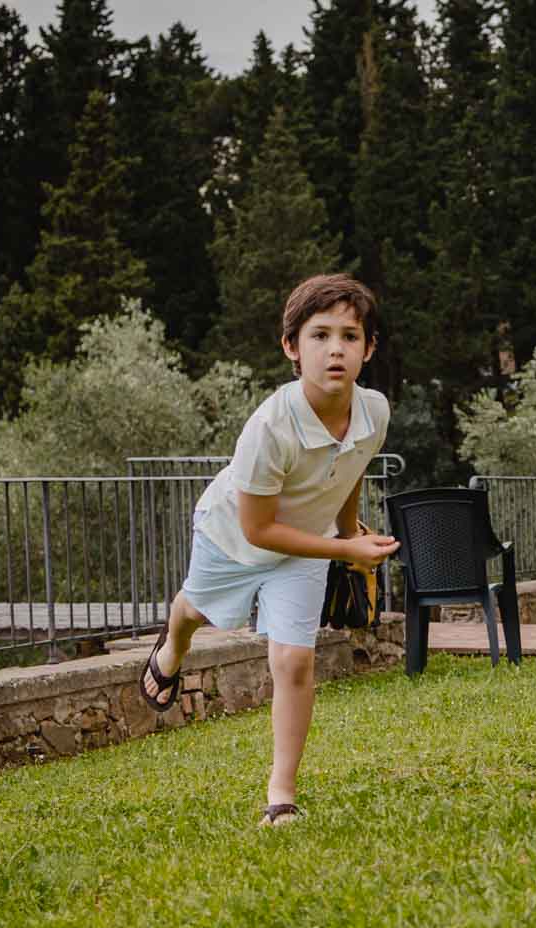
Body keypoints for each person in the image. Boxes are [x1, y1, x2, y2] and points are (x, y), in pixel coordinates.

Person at [138, 273, 397, 828]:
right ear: (291, 348)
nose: (335, 349)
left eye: (350, 337)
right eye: (319, 335)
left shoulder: (374, 412)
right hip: (232, 536)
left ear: (369, 348)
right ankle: (170, 648)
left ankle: (281, 796)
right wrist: (340, 546)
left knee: (294, 660)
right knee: (197, 611)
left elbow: (347, 473)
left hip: (307, 543)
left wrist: (347, 542)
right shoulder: (268, 428)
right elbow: (259, 530)